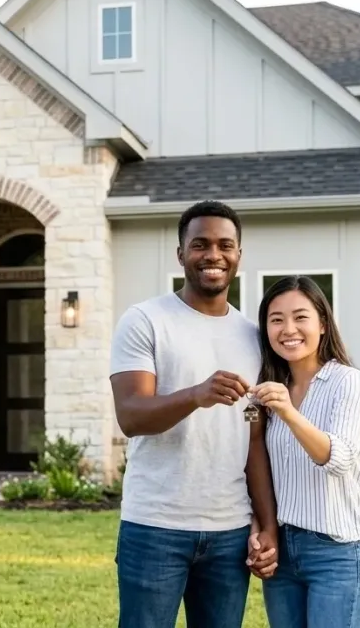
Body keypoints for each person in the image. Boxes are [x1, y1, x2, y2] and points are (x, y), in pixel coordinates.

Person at [108, 200, 279, 628]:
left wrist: (267, 523)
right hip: (155, 526)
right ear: (181, 253)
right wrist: (195, 395)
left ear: (239, 254)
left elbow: (253, 439)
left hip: (229, 529)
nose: (213, 255)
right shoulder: (145, 320)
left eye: (225, 245)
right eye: (200, 244)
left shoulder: (252, 336)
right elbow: (131, 416)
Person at [246, 275, 360, 628]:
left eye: (300, 317)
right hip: (283, 554)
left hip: (337, 550)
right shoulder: (269, 392)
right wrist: (259, 527)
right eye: (276, 319)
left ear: (322, 323)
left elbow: (339, 458)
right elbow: (259, 465)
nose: (288, 328)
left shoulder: (347, 382)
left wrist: (289, 412)